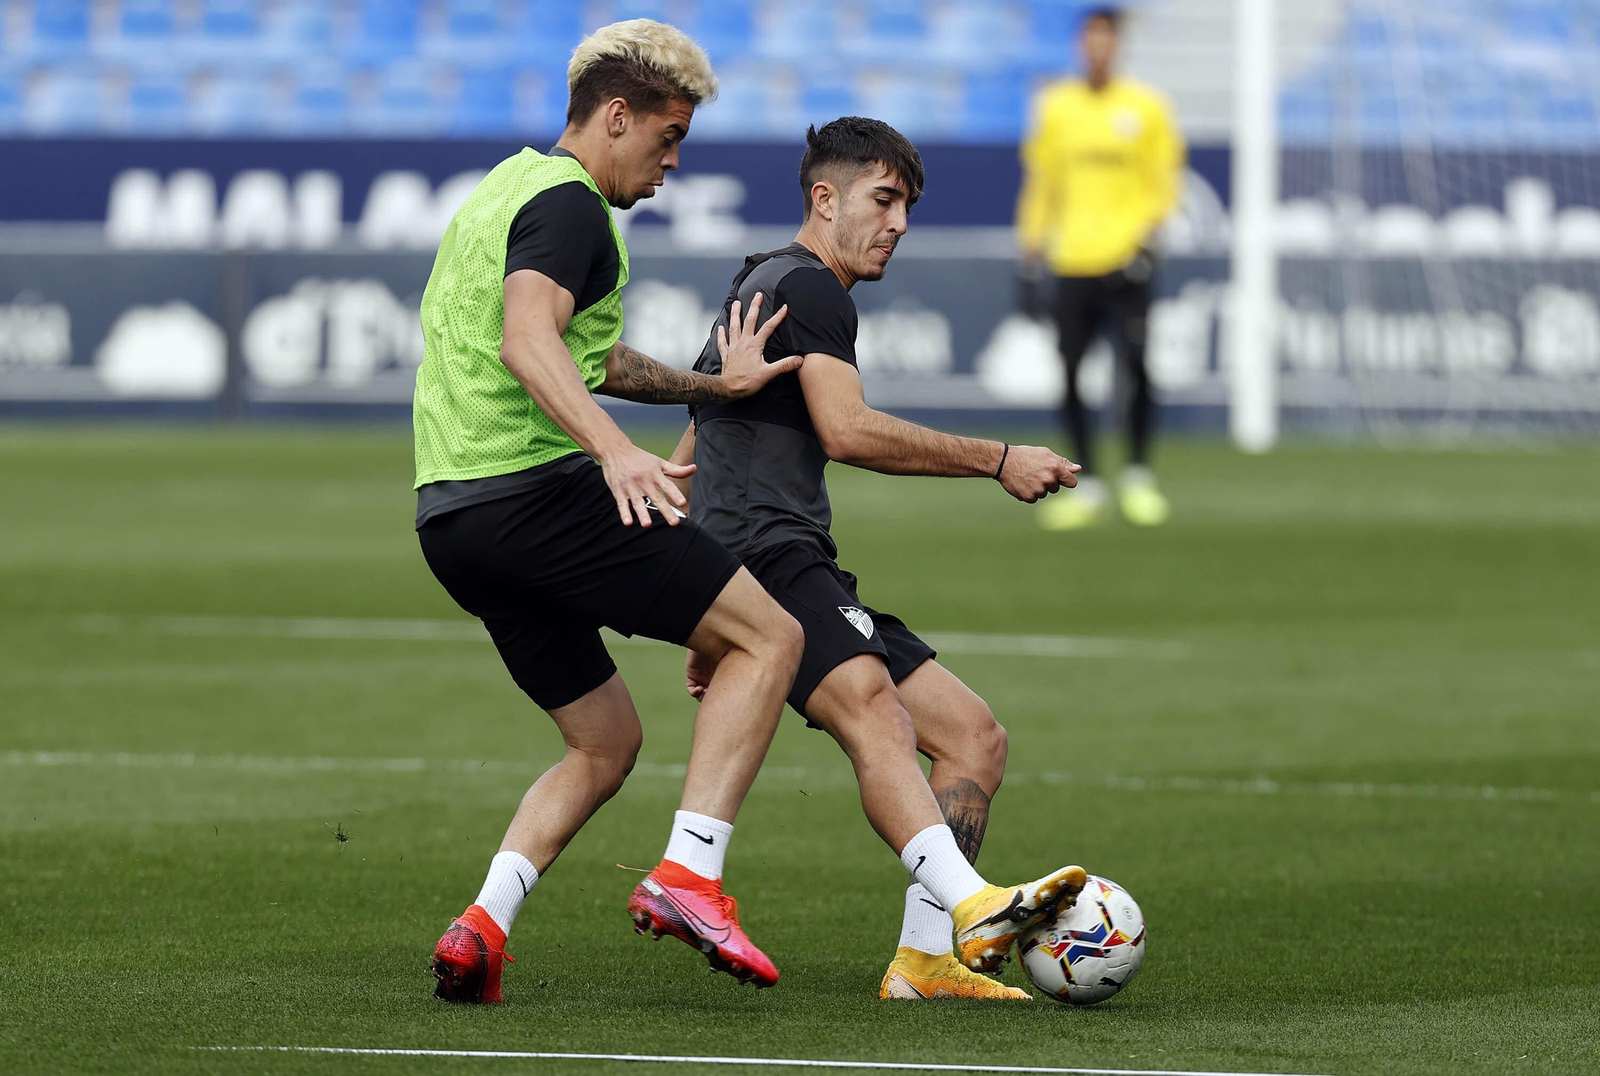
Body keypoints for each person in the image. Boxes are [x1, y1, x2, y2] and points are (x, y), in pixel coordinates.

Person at [412, 19, 808, 1004]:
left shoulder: (502, 193)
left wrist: (710, 390)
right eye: (667, 136)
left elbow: (588, 355)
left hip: (453, 519)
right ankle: (689, 873)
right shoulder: (574, 206)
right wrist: (616, 450)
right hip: (537, 492)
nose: (673, 161)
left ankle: (481, 925)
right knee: (769, 636)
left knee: (604, 741)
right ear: (615, 115)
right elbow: (525, 339)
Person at [672, 117, 1088, 1000]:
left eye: (907, 207)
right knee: (872, 707)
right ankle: (975, 902)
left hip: (761, 560)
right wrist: (998, 459)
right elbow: (848, 431)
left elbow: (702, 430)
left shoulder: (760, 280)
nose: (898, 222)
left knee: (973, 737)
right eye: (883, 199)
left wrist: (709, 616)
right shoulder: (812, 290)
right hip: (773, 559)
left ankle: (927, 957)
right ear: (824, 198)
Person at [1015, 5, 1186, 529]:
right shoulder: (1056, 107)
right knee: (1069, 372)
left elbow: (1164, 182)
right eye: (1090, 39)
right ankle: (1085, 483)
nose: (1098, 48)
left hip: (1125, 261)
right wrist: (1029, 251)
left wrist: (1145, 243)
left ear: (1118, 45)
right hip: (1071, 261)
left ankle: (1137, 476)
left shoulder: (1146, 107)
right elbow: (1042, 184)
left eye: (1106, 39)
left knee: (1136, 366)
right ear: (1080, 46)